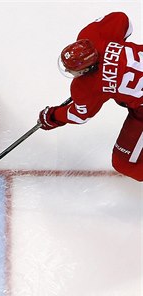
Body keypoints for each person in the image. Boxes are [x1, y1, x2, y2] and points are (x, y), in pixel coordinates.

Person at [38, 11, 142, 182]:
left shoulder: (86, 87)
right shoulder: (93, 36)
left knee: (124, 163)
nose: (67, 70)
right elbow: (124, 20)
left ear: (86, 70)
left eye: (72, 70)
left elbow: (79, 116)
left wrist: (53, 116)